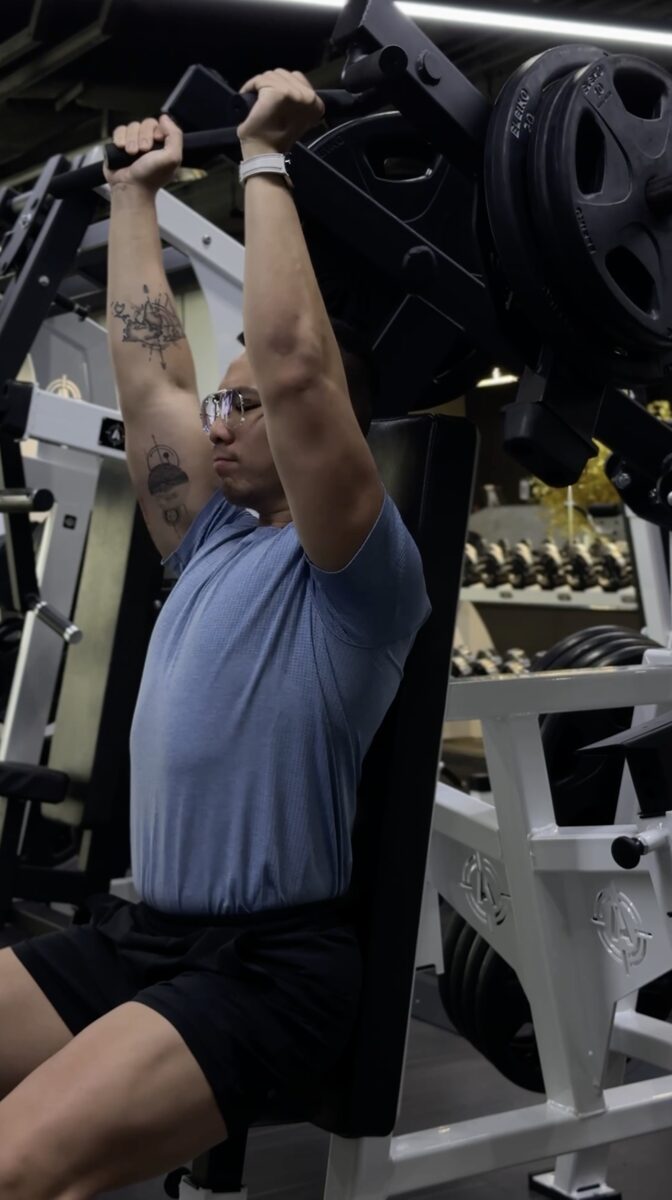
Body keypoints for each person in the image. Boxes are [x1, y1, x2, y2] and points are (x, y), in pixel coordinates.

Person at [0, 72, 430, 1199]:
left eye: (244, 408)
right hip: (142, 937)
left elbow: (293, 365)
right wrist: (135, 196)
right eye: (221, 405)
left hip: (269, 970)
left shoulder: (354, 571)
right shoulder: (208, 544)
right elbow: (151, 377)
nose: (219, 422)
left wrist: (264, 160)